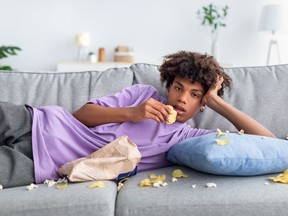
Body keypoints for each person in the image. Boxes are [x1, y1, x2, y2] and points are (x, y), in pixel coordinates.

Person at [0, 51, 275, 188]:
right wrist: (133, 112)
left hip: (41, 164)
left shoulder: (187, 139)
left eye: (195, 95)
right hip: (35, 121)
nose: (182, 98)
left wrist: (215, 100)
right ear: (169, 86)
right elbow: (80, 116)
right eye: (178, 87)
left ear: (202, 103)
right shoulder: (142, 94)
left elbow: (269, 143)